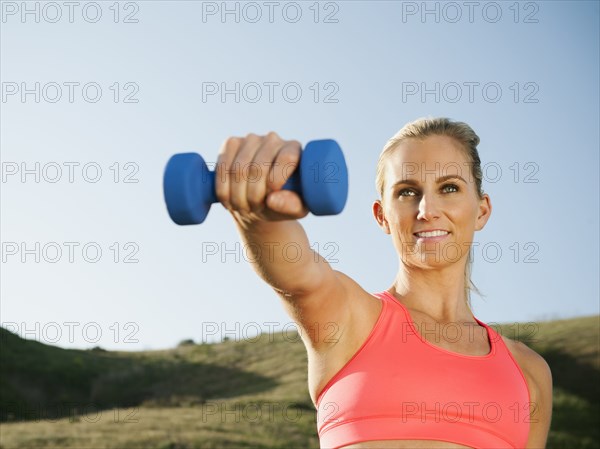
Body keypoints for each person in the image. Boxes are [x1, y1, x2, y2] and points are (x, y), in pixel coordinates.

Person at [214, 117, 553, 449]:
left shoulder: (528, 372)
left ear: (481, 211)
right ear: (381, 216)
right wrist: (259, 217)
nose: (427, 209)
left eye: (449, 188)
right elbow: (298, 274)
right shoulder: (350, 319)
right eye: (407, 192)